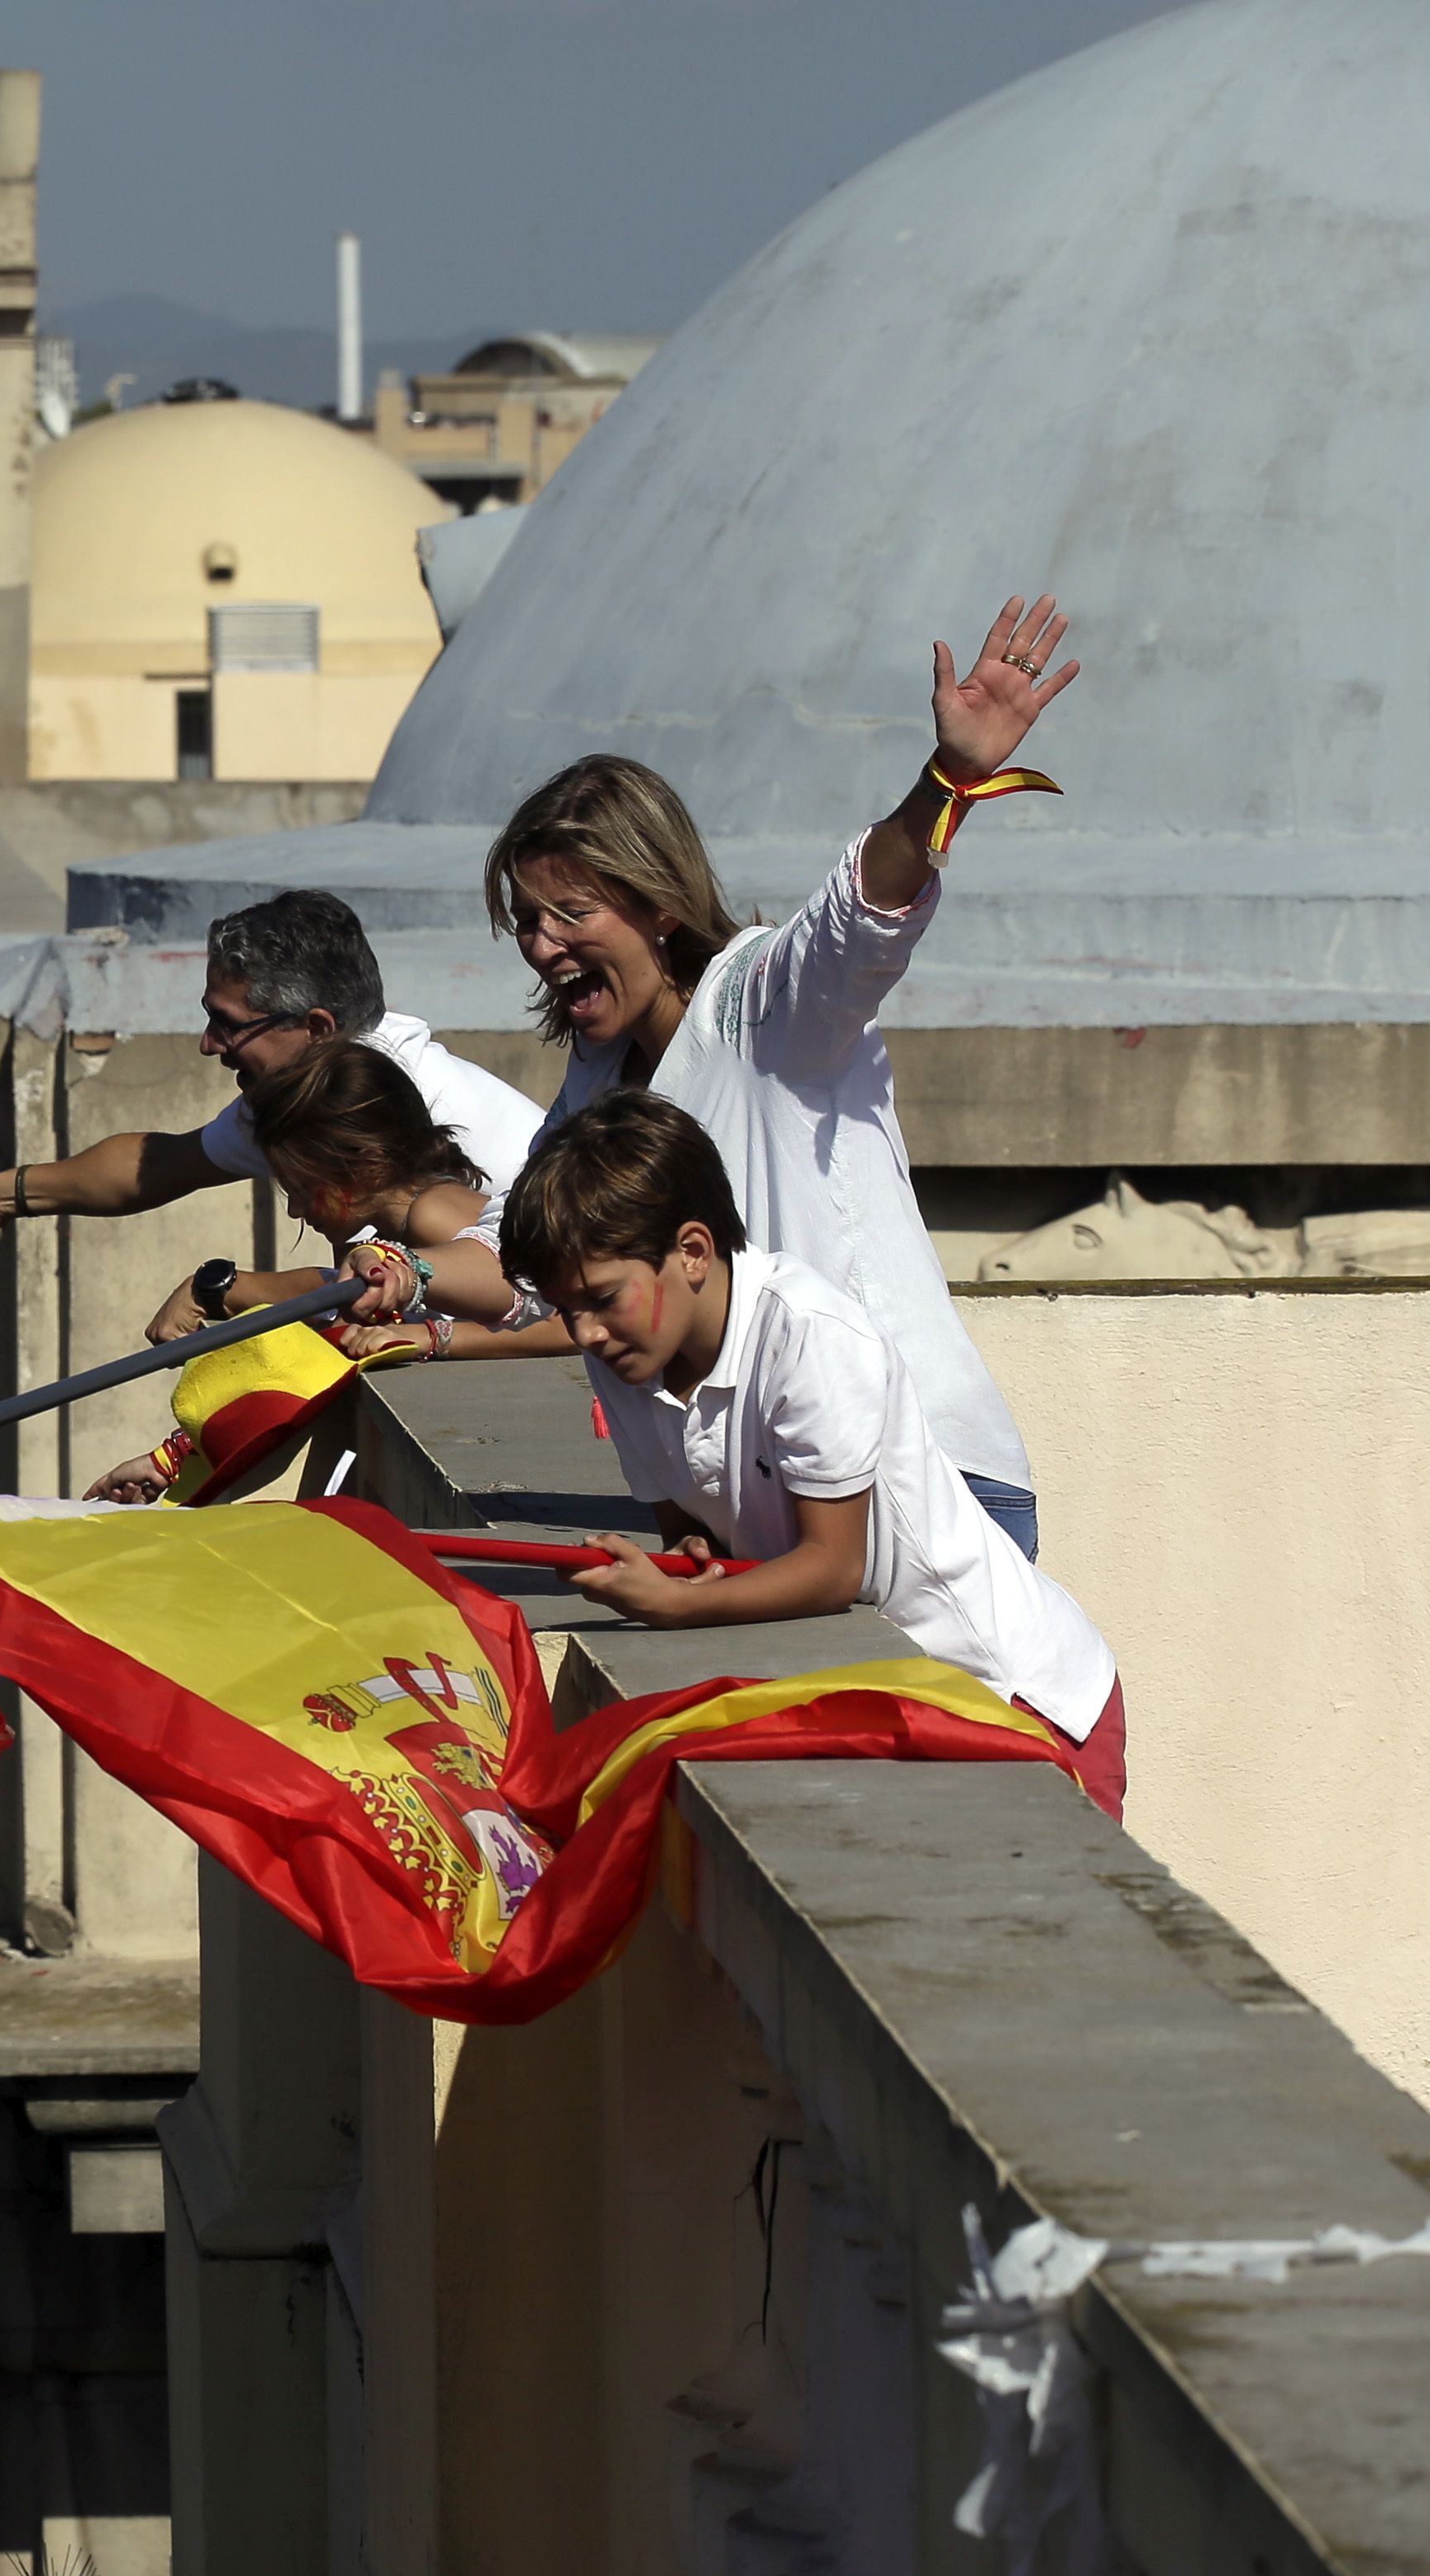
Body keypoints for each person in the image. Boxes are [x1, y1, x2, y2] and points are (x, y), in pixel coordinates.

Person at [462, 594, 1076, 1561]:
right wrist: (397, 1275)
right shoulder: (599, 1081)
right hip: (784, 1502)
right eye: (527, 923)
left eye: (569, 913)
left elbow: (861, 912)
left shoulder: (765, 1003)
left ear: (659, 902)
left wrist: (945, 782)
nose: (542, 947)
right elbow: (519, 1255)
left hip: (924, 1483)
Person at [506, 1087, 1124, 1814]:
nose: (583, 1334)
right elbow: (692, 1533)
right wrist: (687, 1561)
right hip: (887, 1688)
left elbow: (833, 1568)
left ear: (694, 1252)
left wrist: (674, 1604)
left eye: (603, 1299)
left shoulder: (809, 1335)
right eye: (566, 1309)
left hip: (1011, 1691)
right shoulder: (626, 1357)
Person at [0, 889, 546, 1276]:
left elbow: (408, 1286)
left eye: (227, 1026)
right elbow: (162, 1163)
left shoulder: (365, 1114)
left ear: (317, 1026)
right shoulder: (323, 1089)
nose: (208, 1045)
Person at [112, 1033, 521, 1358]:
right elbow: (331, 1291)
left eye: (304, 1188)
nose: (295, 1210)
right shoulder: (394, 1221)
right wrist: (215, 1289)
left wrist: (433, 1337)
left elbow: (559, 1316)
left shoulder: (433, 1214)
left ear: (367, 1163)